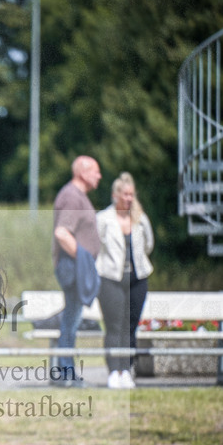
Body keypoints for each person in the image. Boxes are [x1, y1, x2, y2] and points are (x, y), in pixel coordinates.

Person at [95, 172, 154, 389]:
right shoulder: (103, 219)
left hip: (137, 278)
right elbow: (95, 248)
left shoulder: (140, 219)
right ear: (115, 195)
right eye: (125, 194)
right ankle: (114, 371)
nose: (129, 198)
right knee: (114, 326)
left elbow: (148, 245)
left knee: (131, 326)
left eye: (131, 194)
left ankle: (127, 370)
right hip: (111, 278)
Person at [51, 155, 102, 385]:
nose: (99, 176)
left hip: (75, 265)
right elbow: (62, 233)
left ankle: (66, 371)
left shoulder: (78, 196)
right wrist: (84, 260)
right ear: (82, 172)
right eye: (95, 171)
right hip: (72, 267)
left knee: (71, 319)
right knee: (71, 321)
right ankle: (65, 373)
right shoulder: (72, 196)